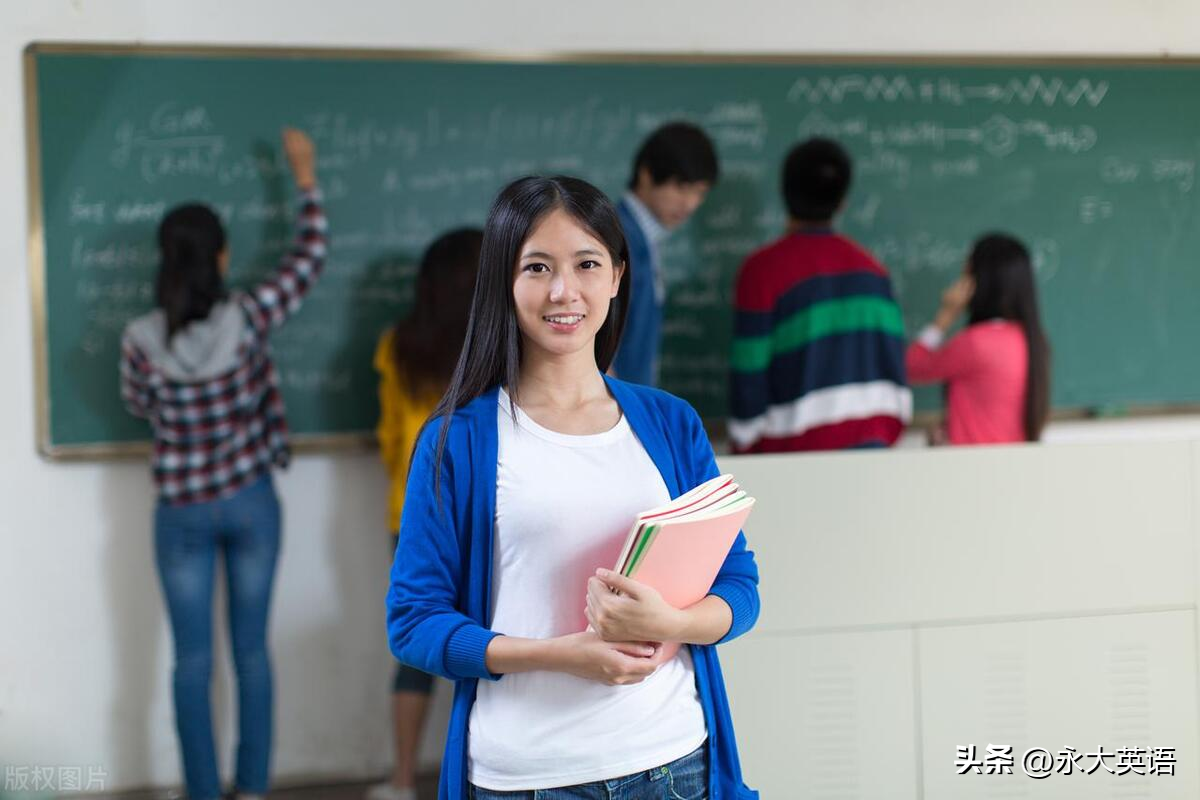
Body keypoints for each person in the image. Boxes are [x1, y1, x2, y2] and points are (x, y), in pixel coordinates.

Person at [386, 176, 760, 799]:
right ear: (504, 284)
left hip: (674, 765)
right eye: (537, 267)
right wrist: (563, 654)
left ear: (617, 275)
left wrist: (674, 621)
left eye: (587, 264)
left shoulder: (670, 423)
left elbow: (739, 586)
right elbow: (414, 623)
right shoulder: (460, 440)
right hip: (529, 778)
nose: (564, 291)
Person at [119, 129, 324, 800]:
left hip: (180, 509)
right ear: (223, 254)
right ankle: (256, 788)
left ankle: (204, 792)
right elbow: (308, 258)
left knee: (190, 662)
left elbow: (137, 403)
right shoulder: (249, 316)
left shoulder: (140, 340)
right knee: (251, 653)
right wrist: (303, 179)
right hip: (250, 500)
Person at [369, 228, 483, 800]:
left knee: (417, 646)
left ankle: (403, 780)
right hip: (484, 518)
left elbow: (392, 438)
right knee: (489, 642)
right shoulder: (495, 348)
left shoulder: (398, 345)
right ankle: (474, 776)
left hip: (411, 515)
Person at [728, 137, 910, 452]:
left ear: (785, 194)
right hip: (873, 450)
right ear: (842, 202)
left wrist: (745, 441)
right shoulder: (874, 272)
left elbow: (749, 373)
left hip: (790, 457)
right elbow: (894, 371)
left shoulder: (763, 270)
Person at [905, 233, 1051, 444]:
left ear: (978, 282)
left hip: (974, 466)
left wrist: (945, 316)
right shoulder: (1033, 341)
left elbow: (911, 366)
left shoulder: (975, 344)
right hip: (1012, 465)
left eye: (966, 272)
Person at [611, 122, 719, 386]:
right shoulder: (617, 238)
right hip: (617, 411)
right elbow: (592, 347)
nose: (690, 204)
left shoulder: (643, 238)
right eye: (681, 187)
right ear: (646, 174)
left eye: (700, 193)